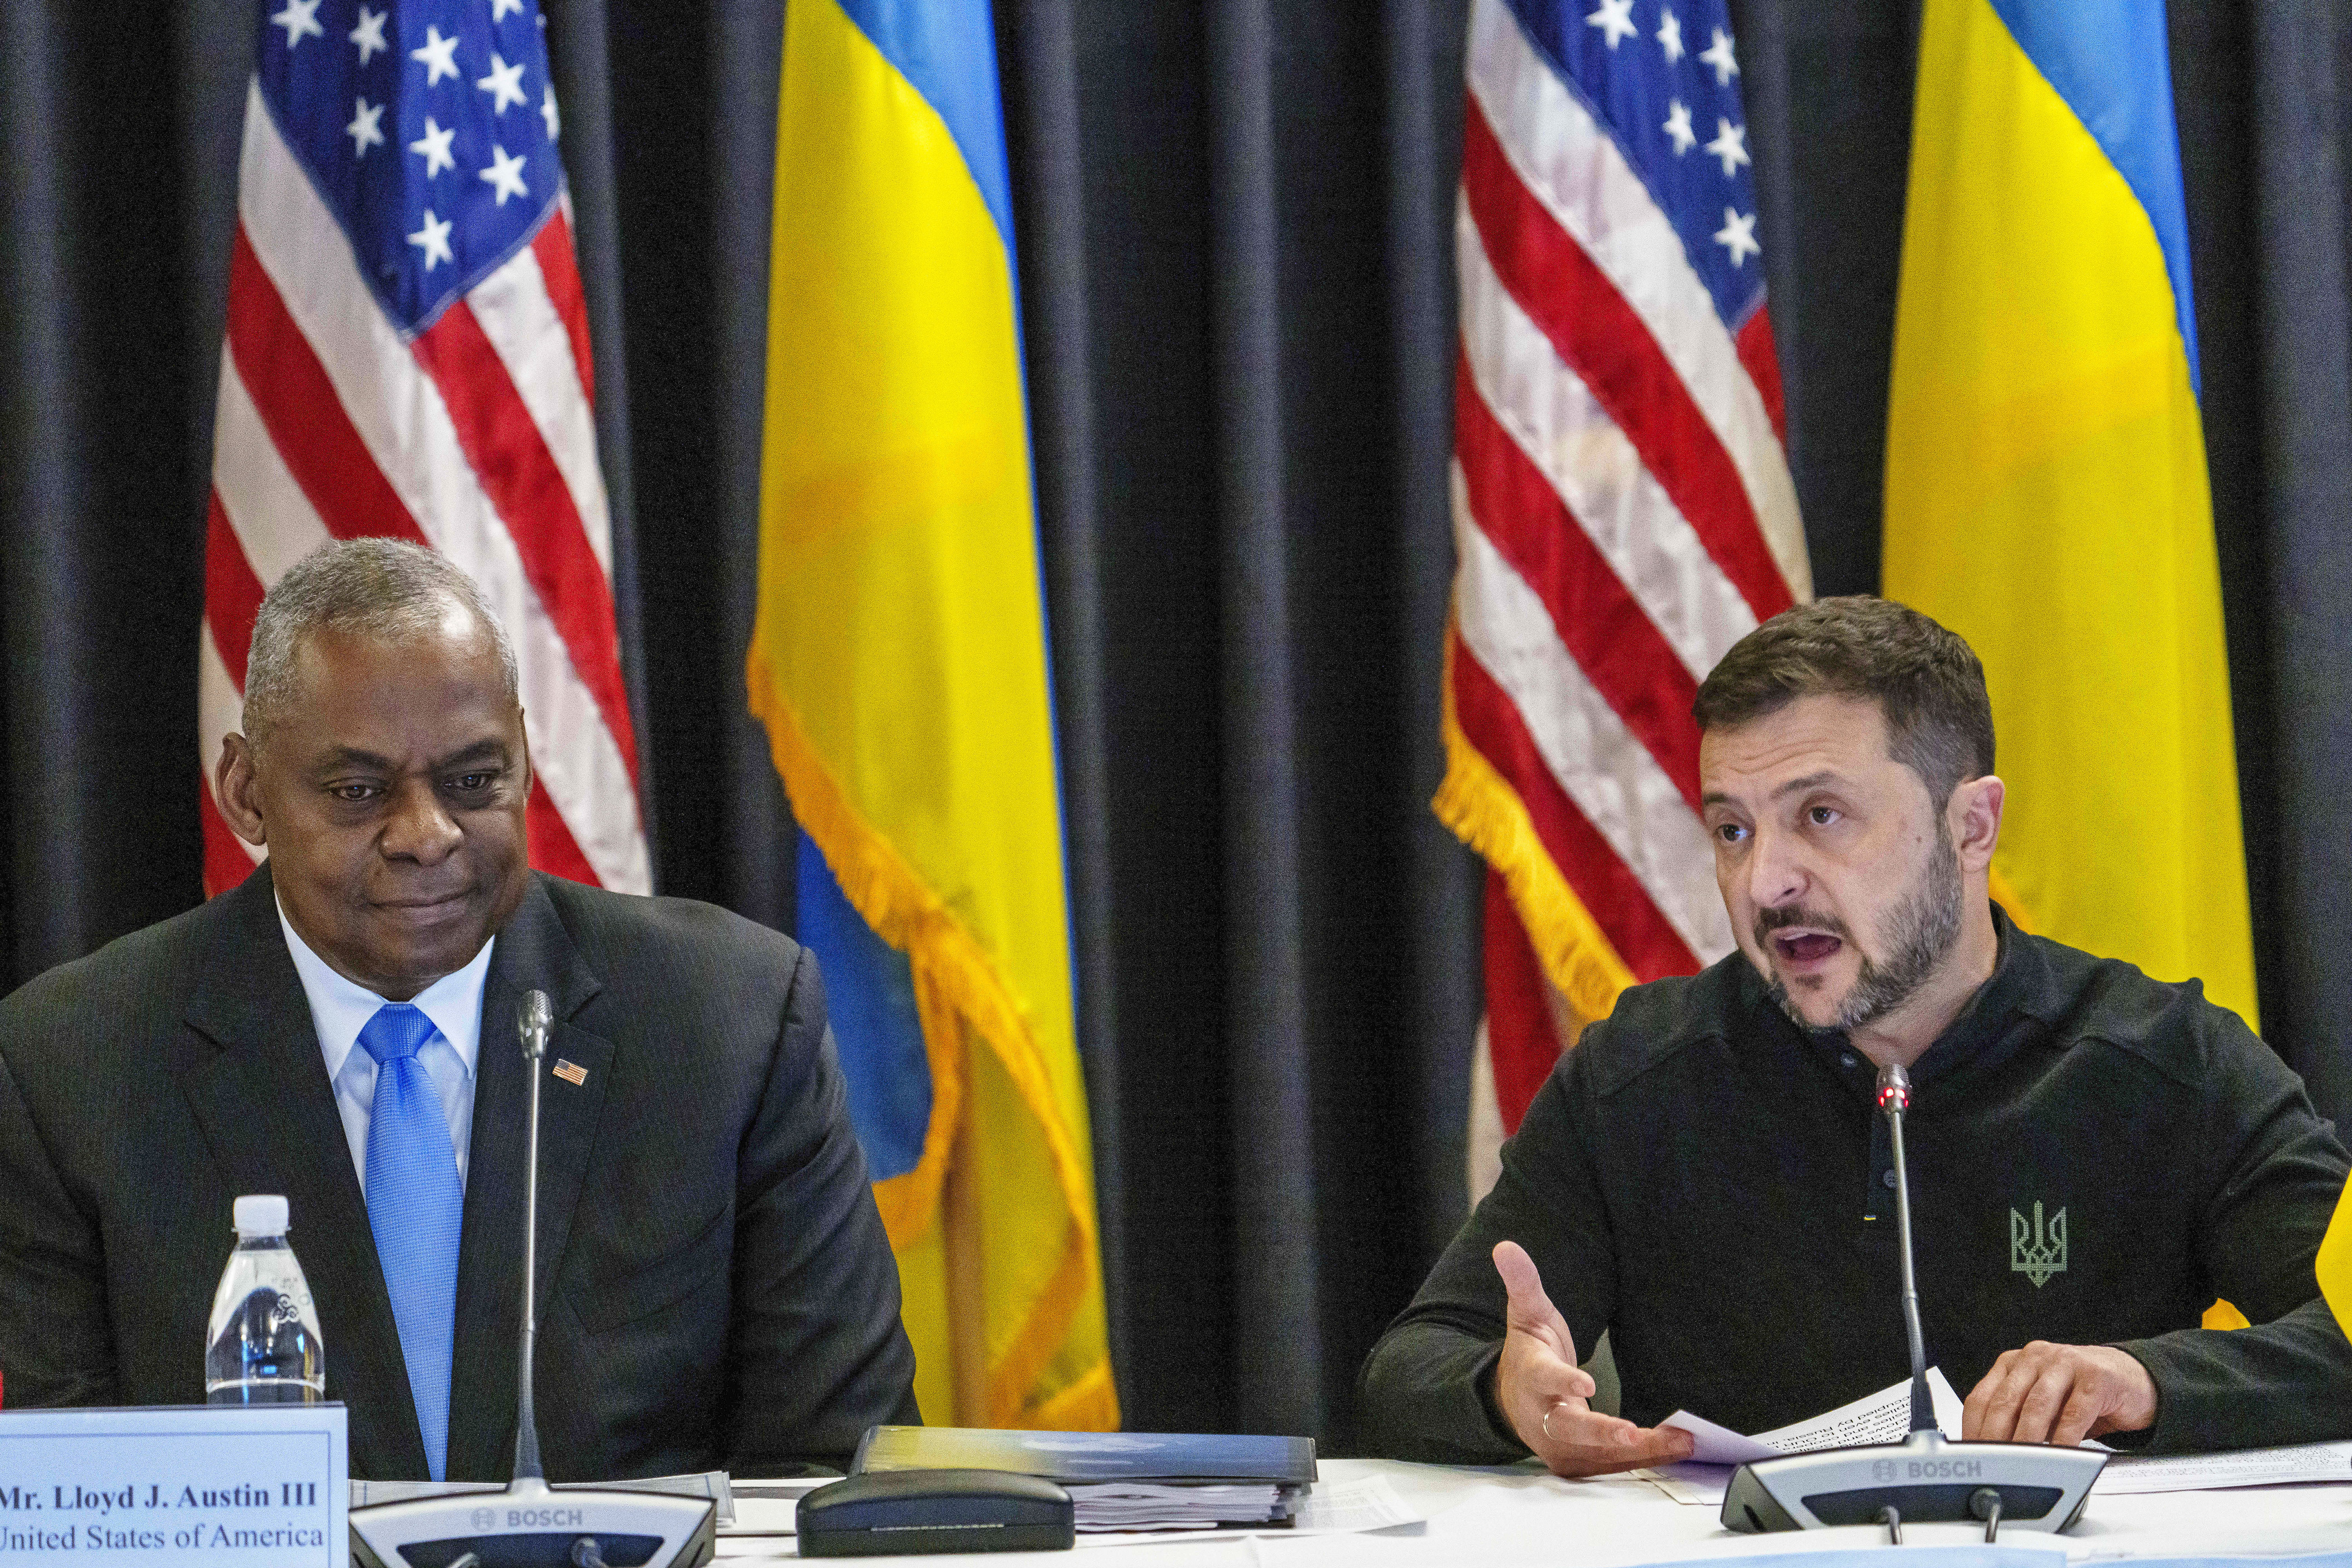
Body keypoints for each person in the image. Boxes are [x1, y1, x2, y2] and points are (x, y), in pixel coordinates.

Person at [1360, 596, 2352, 1472]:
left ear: (1971, 827)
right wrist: (1508, 1390)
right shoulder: (1641, 1073)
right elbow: (1414, 1360)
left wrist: (2143, 1379)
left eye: (1821, 815)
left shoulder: (2166, 1059)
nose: (1765, 882)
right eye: (1733, 829)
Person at [0, 538, 918, 1481]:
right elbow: (72, 1504)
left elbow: (842, 1474)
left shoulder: (731, 1024)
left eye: (475, 780)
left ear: (523, 757)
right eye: (360, 792)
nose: (429, 834)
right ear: (246, 791)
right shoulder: (74, 1069)